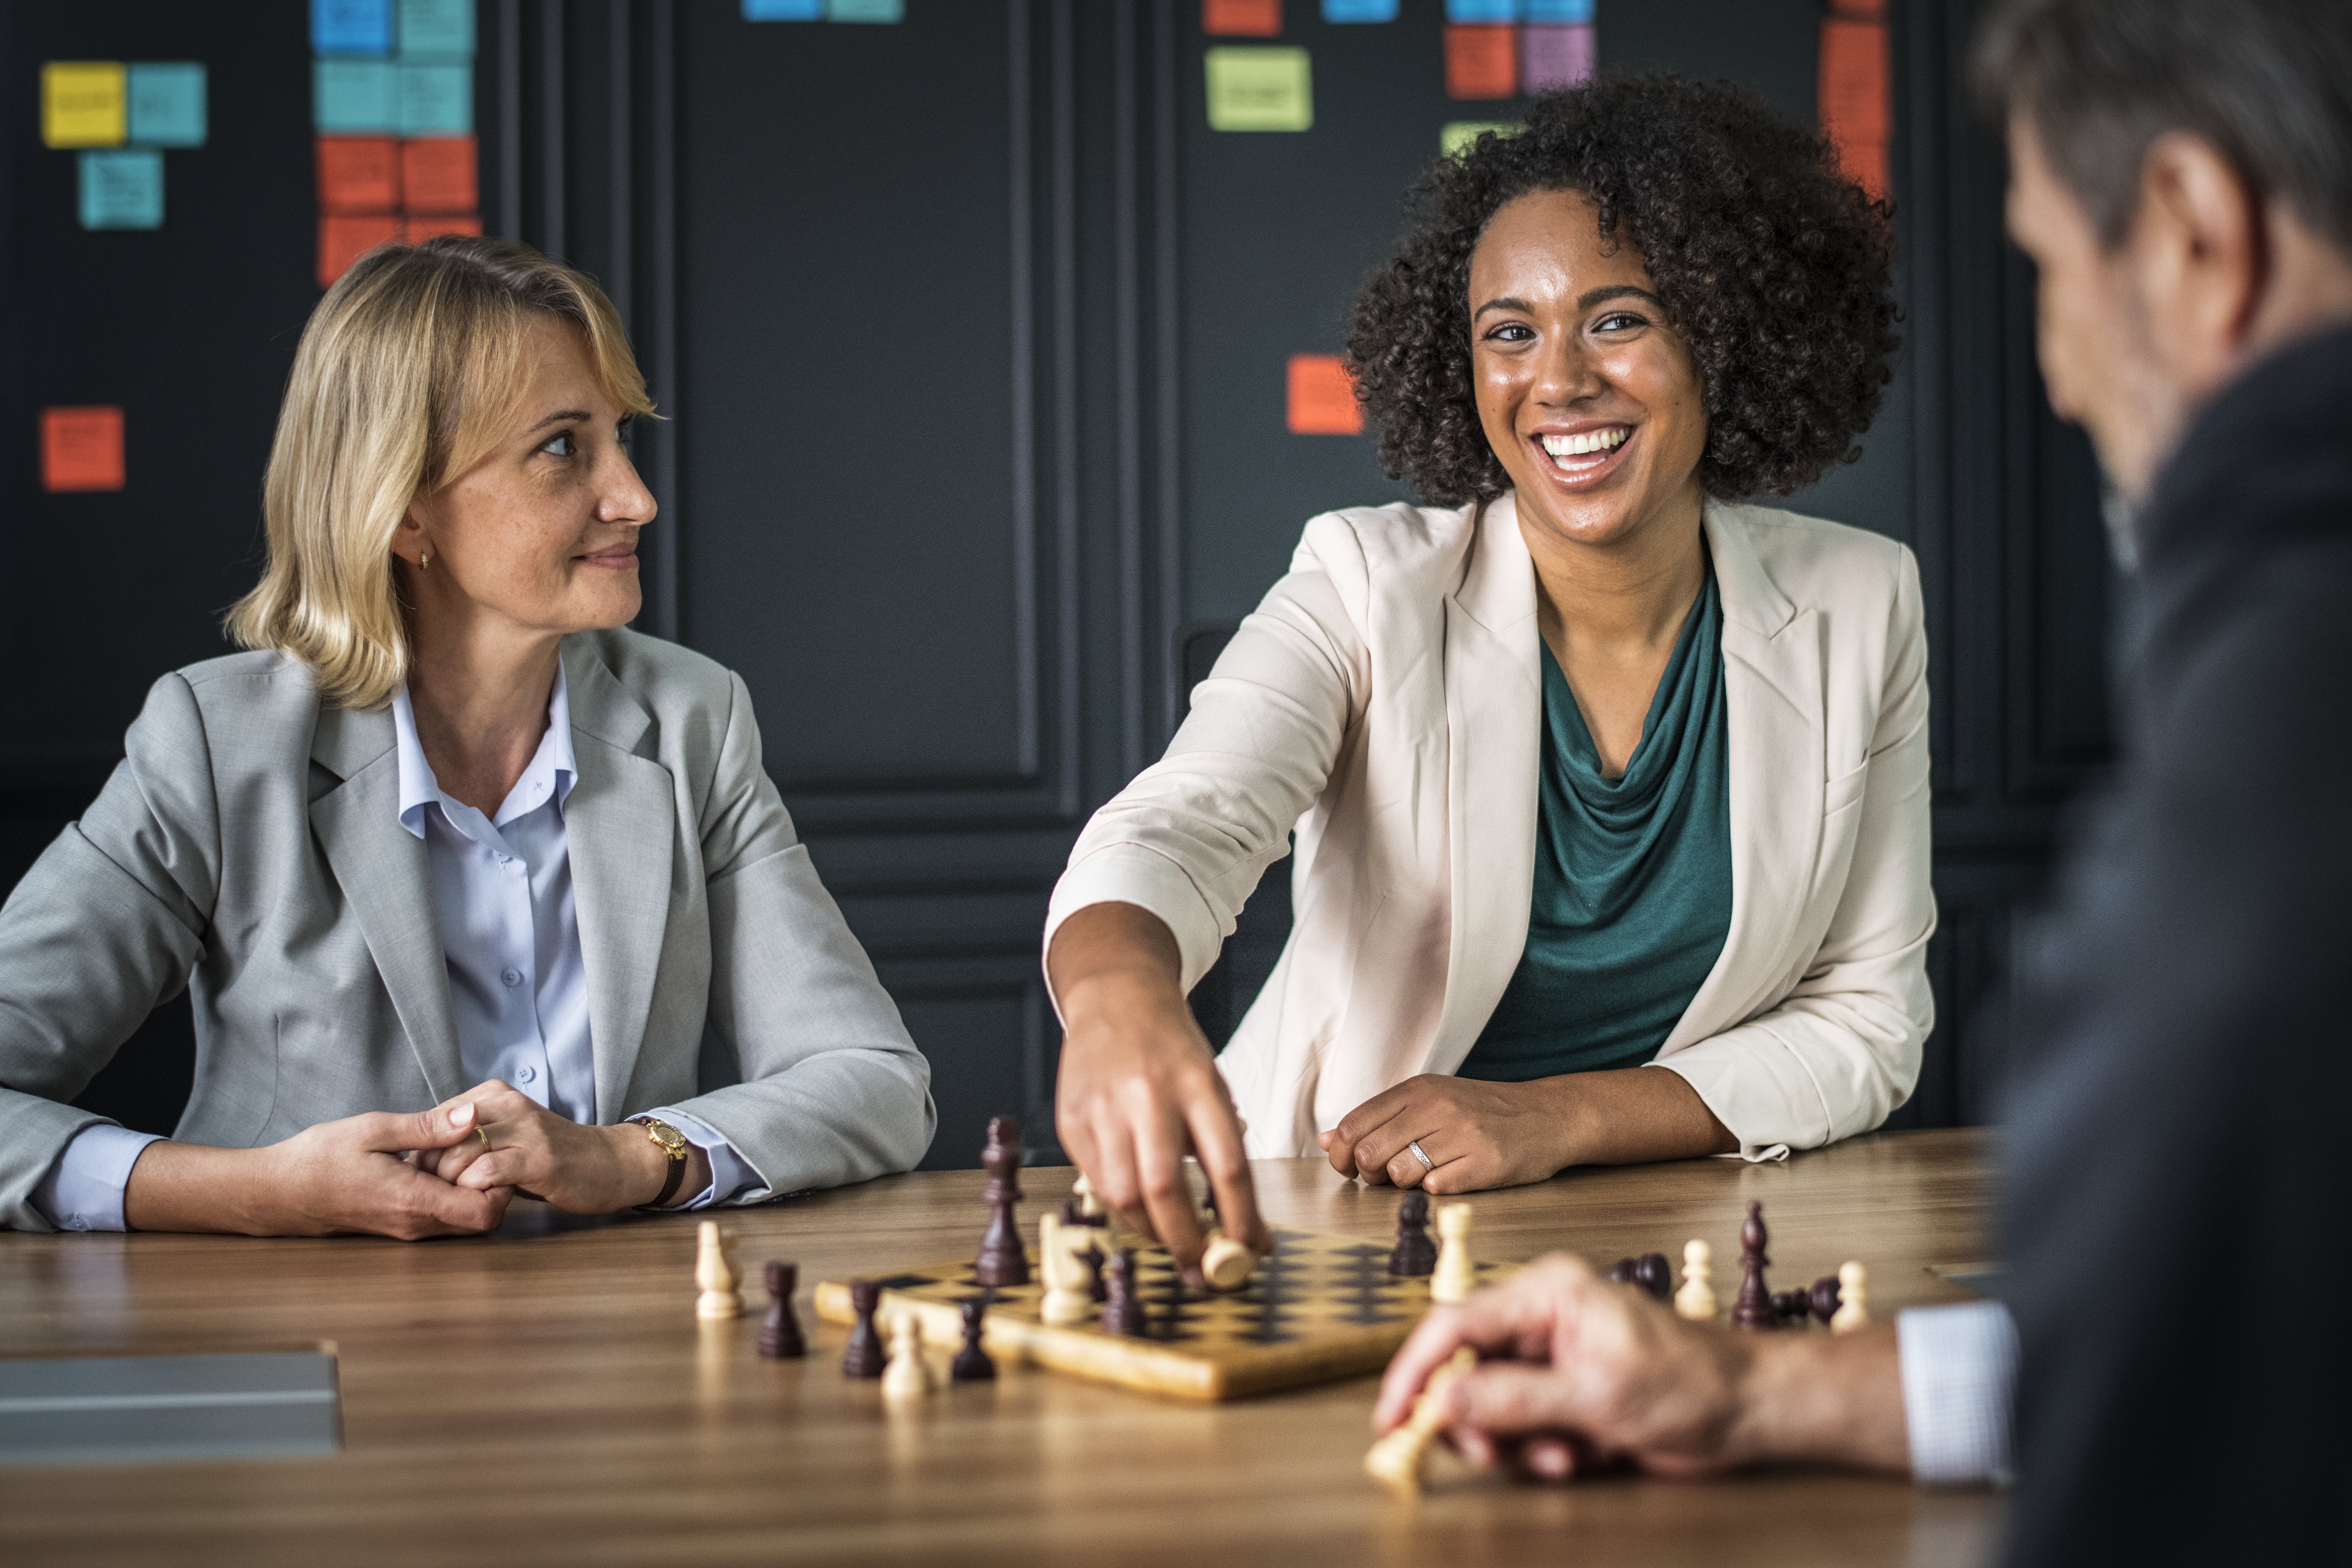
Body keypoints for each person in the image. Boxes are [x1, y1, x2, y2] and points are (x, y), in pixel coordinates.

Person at [1371, 2, 2352, 1560]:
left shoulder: (2287, 698)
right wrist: (1761, 1397)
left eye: (2046, 270)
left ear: (2192, 234)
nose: (2059, 368)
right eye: (1512, 330)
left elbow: (2183, 1378)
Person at [1047, 73, 1929, 1267]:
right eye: (1509, 331)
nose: (1558, 380)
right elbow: (1182, 823)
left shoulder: (1860, 602)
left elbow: (1868, 1022)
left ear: (1726, 338)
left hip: (1678, 1226)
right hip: (1342, 1224)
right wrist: (1117, 999)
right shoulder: (1365, 582)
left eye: (1617, 319)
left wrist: (1558, 1115)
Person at [0, 237, 935, 1238]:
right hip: (304, 1343)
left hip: (624, 1352)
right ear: (407, 511)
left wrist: (629, 1157)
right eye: (564, 447)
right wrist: (263, 1191)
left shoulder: (690, 720)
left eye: (620, 438)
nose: (635, 497)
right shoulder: (217, 741)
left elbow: (873, 1079)